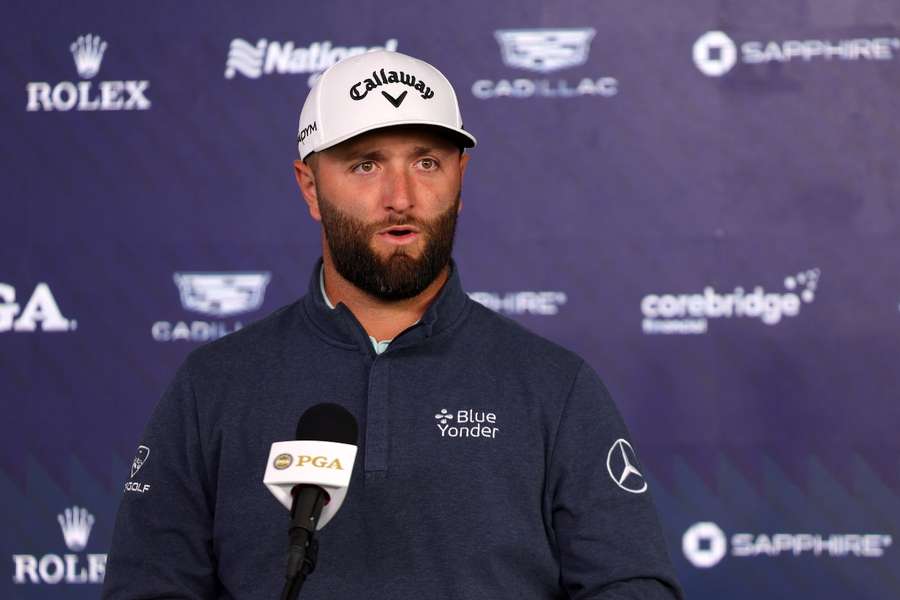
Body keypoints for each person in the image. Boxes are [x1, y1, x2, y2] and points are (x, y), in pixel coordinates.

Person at [103, 50, 683, 600]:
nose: (400, 197)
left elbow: (631, 585)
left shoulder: (555, 387)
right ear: (310, 186)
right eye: (365, 164)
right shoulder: (214, 385)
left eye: (426, 162)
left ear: (461, 177)